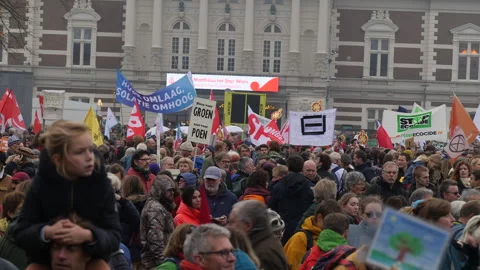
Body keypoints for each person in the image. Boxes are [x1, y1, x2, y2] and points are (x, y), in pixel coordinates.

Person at [14, 120, 121, 268]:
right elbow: (20, 233)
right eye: (79, 152)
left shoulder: (101, 184)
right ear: (58, 159)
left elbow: (114, 236)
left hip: (90, 262)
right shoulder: (41, 185)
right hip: (45, 263)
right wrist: (47, 232)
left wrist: (88, 236)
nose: (90, 157)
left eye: (90, 150)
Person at [228, 200, 288, 269]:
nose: (228, 226)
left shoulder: (262, 254)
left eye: (232, 222)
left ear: (248, 225)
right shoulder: (263, 241)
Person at [284, 199, 342, 270]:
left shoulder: (334, 239)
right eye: (330, 221)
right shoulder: (300, 238)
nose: (333, 226)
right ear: (319, 217)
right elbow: (292, 266)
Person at [269, 155, 314, 244]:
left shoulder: (279, 186)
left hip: (283, 226)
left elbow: (272, 206)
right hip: (303, 227)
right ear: (302, 168)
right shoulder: (310, 186)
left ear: (288, 167)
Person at [140, 176, 176, 269]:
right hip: (155, 263)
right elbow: (155, 238)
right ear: (160, 191)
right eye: (168, 190)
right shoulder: (155, 208)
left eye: (173, 190)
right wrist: (163, 262)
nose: (172, 193)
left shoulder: (161, 206)